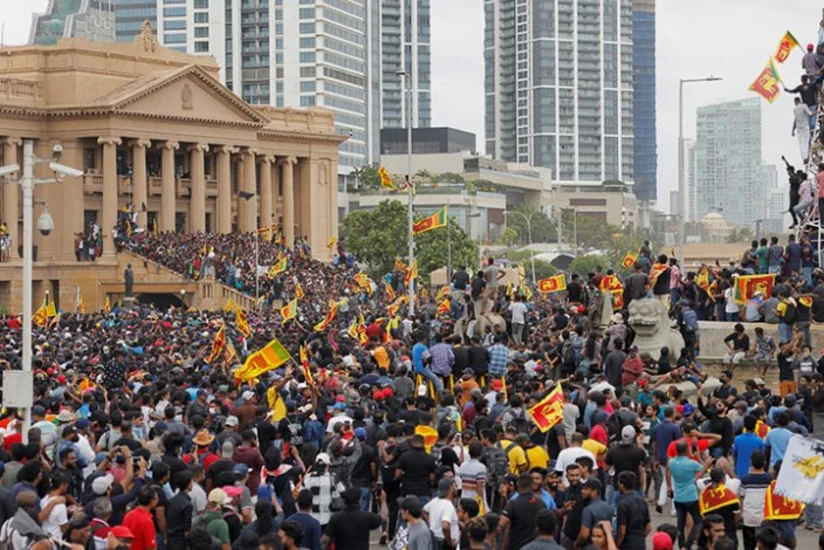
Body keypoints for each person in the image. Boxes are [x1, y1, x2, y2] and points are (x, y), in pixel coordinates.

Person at [667, 440, 713, 550]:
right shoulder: (691, 463)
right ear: (687, 450)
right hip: (690, 496)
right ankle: (688, 544)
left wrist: (669, 486)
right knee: (698, 521)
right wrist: (704, 462)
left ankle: (681, 545)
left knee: (680, 524)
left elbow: (668, 473)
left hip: (678, 497)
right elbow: (703, 472)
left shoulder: (672, 462)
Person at [499, 473, 547, 550]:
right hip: (535, 546)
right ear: (532, 485)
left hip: (516, 545)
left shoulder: (513, 504)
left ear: (518, 484)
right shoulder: (541, 503)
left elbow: (502, 525)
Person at [615, 471, 651, 550]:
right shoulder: (642, 501)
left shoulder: (623, 504)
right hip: (640, 543)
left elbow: (622, 530)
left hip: (627, 544)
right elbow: (648, 527)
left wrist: (616, 544)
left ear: (621, 485)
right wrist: (641, 538)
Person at [423, 479, 459, 550]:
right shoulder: (448, 505)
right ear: (451, 488)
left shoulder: (435, 501)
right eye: (455, 486)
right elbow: (445, 526)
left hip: (434, 539)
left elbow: (424, 511)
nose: (457, 489)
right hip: (444, 544)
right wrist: (450, 543)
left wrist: (430, 523)